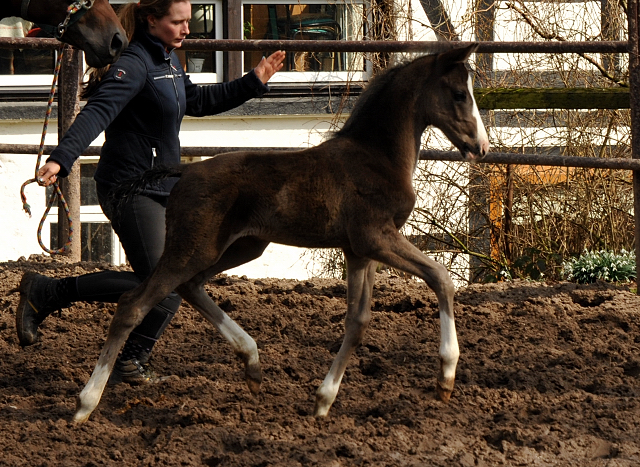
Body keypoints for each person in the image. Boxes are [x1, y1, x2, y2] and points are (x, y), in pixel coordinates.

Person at [15, 0, 285, 385]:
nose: (187, 30)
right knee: (166, 283)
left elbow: (197, 101)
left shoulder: (169, 59)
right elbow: (98, 112)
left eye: (188, 22)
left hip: (164, 187)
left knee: (169, 281)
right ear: (151, 20)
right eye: (178, 22)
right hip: (129, 187)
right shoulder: (135, 63)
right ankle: (68, 307)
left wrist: (253, 80)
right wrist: (62, 159)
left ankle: (56, 299)